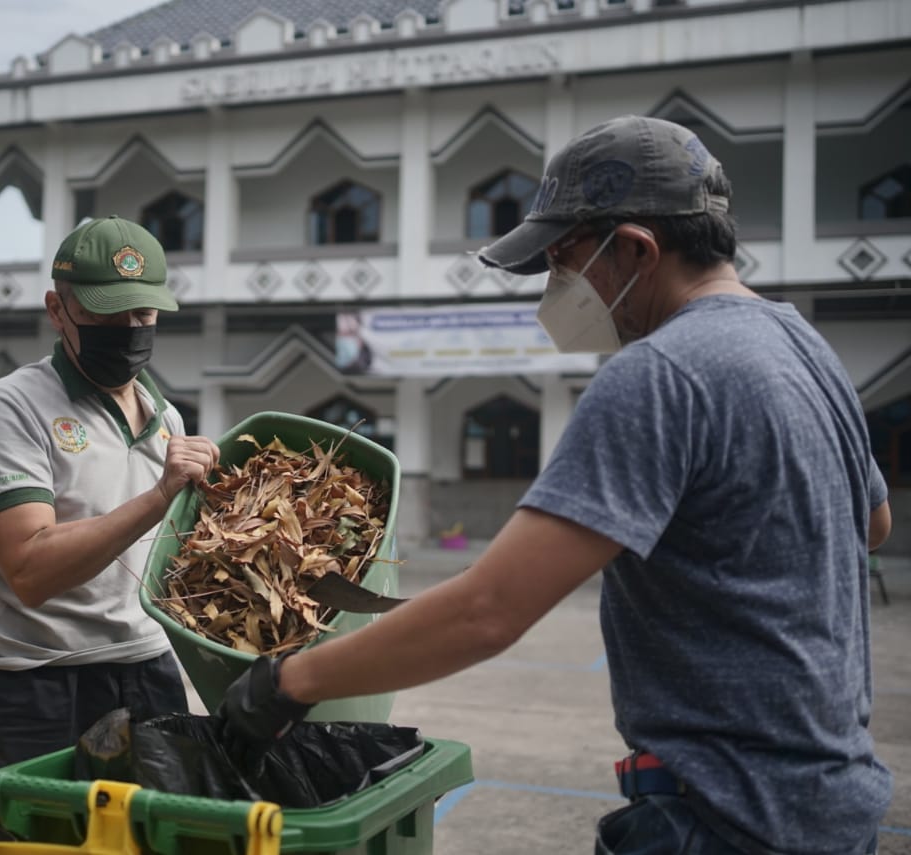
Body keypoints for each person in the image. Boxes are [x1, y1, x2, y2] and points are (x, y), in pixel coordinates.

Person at [219, 116, 893, 855]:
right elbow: (874, 523)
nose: (556, 287)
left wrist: (286, 682)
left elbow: (488, 611)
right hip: (833, 802)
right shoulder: (805, 345)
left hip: (727, 817)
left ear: (636, 248)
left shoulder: (660, 375)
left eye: (564, 261)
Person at [0, 215, 221, 770]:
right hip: (34, 677)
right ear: (59, 310)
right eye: (107, 312)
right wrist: (158, 495)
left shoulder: (167, 416)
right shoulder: (10, 405)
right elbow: (29, 569)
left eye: (143, 313)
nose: (129, 327)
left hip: (147, 667)